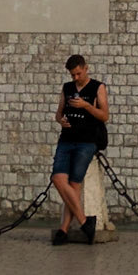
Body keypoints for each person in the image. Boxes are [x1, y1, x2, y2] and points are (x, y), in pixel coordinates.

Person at [50, 53, 109, 246]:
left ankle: (63, 230)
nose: (75, 78)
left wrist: (86, 106)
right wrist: (62, 120)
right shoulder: (67, 88)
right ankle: (85, 222)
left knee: (74, 184)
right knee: (58, 178)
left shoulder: (98, 87)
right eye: (72, 75)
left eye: (78, 74)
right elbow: (58, 114)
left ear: (85, 68)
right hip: (66, 140)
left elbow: (104, 115)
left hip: (87, 141)